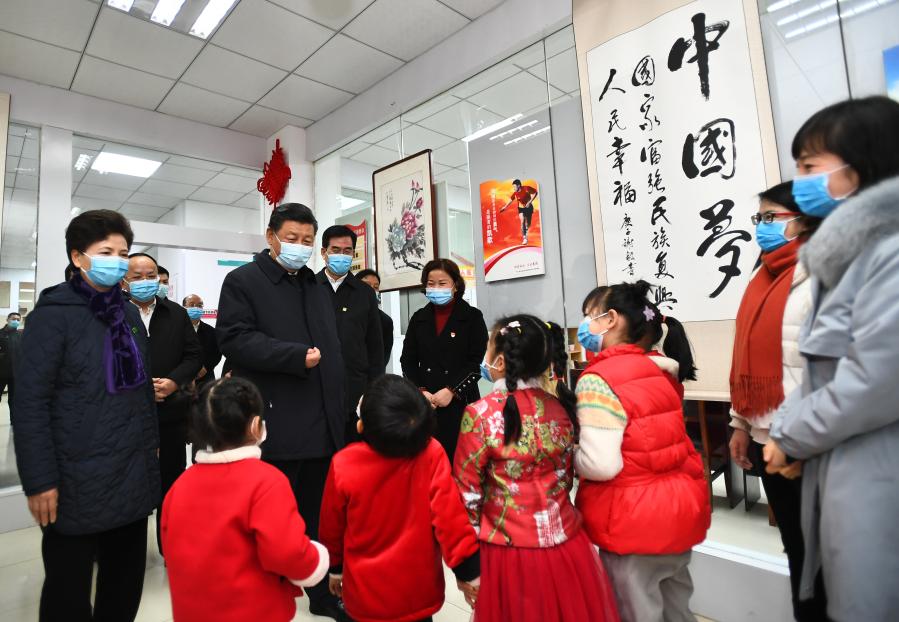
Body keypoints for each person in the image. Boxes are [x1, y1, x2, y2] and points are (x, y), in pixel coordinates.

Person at [764, 95, 899, 622]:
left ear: (860, 166)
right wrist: (785, 430)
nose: (800, 184)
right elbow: (824, 373)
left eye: (810, 168)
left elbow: (875, 379)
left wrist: (790, 435)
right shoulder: (850, 253)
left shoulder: (889, 253)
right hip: (848, 461)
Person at [13, 210, 159, 621]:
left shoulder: (128, 316)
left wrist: (151, 451)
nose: (118, 259)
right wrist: (40, 480)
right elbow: (29, 403)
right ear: (78, 257)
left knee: (124, 582)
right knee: (68, 591)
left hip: (130, 473)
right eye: (106, 251)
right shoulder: (53, 315)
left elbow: (140, 392)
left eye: (123, 252)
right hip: (74, 479)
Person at [216, 202, 346, 620]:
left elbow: (333, 350)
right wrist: (293, 356)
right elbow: (233, 339)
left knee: (320, 518)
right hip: (278, 417)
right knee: (276, 521)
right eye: (291, 238)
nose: (299, 247)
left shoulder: (313, 284)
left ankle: (323, 595)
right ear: (271, 236)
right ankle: (271, 595)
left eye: (307, 241)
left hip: (324, 419)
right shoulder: (243, 281)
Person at [453, 315, 620, 622]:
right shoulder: (561, 407)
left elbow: (467, 498)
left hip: (507, 550)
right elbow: (565, 477)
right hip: (567, 546)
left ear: (500, 361)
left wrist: (467, 565)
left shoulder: (479, 415)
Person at [574, 281, 710, 622]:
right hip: (678, 513)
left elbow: (601, 464)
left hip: (632, 521)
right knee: (677, 610)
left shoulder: (597, 379)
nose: (585, 325)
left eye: (590, 316)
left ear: (611, 320)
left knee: (635, 613)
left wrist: (568, 453)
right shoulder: (660, 370)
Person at [728, 181, 825, 620]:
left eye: (771, 218)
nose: (762, 227)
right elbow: (747, 357)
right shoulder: (761, 277)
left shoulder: (822, 273)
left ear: (803, 220)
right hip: (768, 439)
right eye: (759, 219)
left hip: (813, 445)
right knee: (796, 548)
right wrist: (740, 425)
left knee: (828, 557)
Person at [162, 377, 329, 622]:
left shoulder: (180, 487)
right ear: (254, 427)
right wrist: (318, 559)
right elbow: (288, 553)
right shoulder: (266, 482)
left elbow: (172, 549)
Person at [319, 374, 480, 622]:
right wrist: (468, 573)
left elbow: (332, 526)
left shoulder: (344, 464)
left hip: (365, 594)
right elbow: (451, 520)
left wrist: (336, 569)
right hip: (417, 593)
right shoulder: (432, 453)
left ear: (361, 427)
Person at [124, 253, 202, 556]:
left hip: (170, 413)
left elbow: (193, 356)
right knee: (131, 485)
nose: (146, 281)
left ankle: (171, 548)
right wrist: (142, 390)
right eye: (137, 276)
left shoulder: (176, 314)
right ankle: (128, 554)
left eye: (151, 274)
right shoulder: (113, 312)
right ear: (124, 280)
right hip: (128, 416)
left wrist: (173, 382)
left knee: (170, 484)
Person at [401, 258, 488, 461]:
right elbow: (408, 360)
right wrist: (420, 391)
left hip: (460, 400)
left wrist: (452, 390)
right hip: (426, 402)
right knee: (427, 461)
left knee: (461, 461)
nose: (436, 288)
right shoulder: (419, 318)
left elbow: (476, 363)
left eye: (442, 283)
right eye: (431, 284)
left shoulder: (472, 317)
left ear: (455, 285)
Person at [316, 226, 384, 442]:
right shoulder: (309, 287)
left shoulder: (364, 293)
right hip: (316, 388)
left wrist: (373, 391)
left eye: (347, 251)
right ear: (323, 252)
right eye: (335, 249)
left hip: (354, 390)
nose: (342, 255)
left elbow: (375, 346)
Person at [356, 268, 394, 367]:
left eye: (376, 287)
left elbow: (384, 356)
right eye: (367, 285)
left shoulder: (386, 321)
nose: (371, 290)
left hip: (372, 376)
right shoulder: (344, 313)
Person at [183, 294, 221, 389]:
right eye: (191, 305)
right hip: (182, 377)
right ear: (184, 308)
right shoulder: (176, 329)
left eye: (199, 305)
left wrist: (206, 367)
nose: (196, 308)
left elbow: (217, 352)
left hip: (206, 378)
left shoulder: (211, 331)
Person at [500, 179, 538, 245]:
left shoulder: (526, 188)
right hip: (521, 209)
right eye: (513, 187)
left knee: (528, 224)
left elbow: (535, 192)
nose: (514, 188)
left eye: (514, 187)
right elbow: (510, 200)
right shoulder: (515, 193)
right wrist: (505, 207)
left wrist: (530, 201)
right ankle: (525, 238)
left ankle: (526, 230)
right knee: (522, 221)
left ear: (519, 185)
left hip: (528, 207)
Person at [0, 312, 22, 421]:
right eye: (14, 319)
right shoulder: (0, 334)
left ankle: (14, 422)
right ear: (7, 319)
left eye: (18, 319)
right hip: (1, 372)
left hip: (15, 374)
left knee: (13, 399)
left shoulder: (20, 336)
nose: (16, 321)